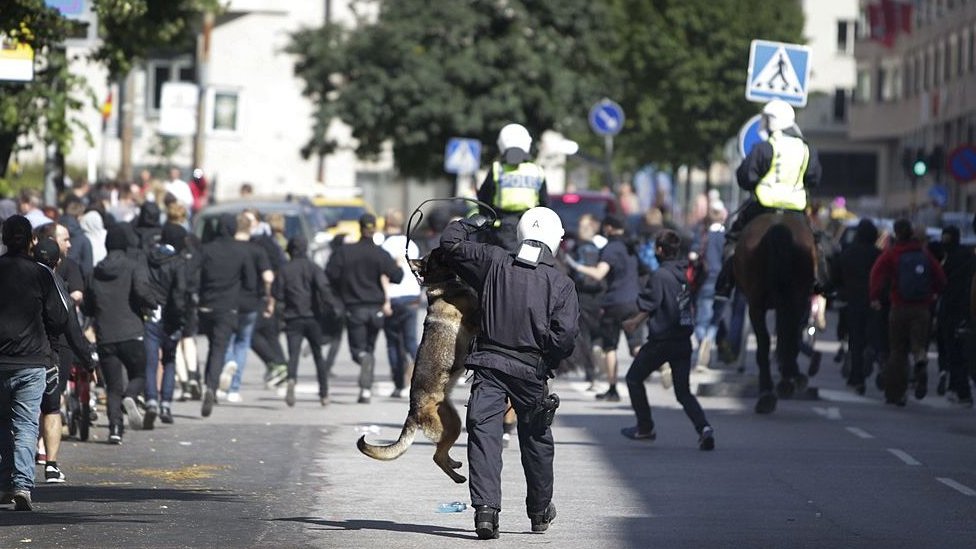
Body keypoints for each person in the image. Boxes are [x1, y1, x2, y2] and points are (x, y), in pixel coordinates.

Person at [439, 207, 577, 539]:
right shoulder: (561, 283)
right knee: (536, 438)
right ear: (553, 240)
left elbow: (450, 242)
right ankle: (539, 511)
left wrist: (475, 220)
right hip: (531, 370)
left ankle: (485, 512)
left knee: (484, 434)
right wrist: (548, 360)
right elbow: (566, 336)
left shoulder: (494, 261)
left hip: (488, 364)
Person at [715, 99, 824, 299]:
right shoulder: (806, 149)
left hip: (763, 207)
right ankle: (820, 281)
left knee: (733, 237)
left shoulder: (764, 148)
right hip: (795, 209)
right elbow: (814, 178)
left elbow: (746, 177)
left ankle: (725, 282)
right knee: (817, 242)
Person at [619, 230, 715, 450]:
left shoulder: (660, 275)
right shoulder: (683, 273)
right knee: (683, 392)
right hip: (683, 341)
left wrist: (634, 322)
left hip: (662, 341)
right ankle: (704, 428)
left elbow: (650, 304)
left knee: (634, 378)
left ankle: (645, 427)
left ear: (660, 250)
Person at [0, 216, 71, 510]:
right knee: (27, 424)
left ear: (4, 238)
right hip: (31, 360)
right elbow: (58, 317)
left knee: (2, 423)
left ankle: (4, 483)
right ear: (31, 241)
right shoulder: (41, 274)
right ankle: (22, 485)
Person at [31, 238, 95, 483]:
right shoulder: (57, 285)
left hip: (11, 355)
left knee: (16, 414)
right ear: (57, 261)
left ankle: (15, 470)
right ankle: (51, 465)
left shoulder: (11, 275)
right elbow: (72, 328)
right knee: (51, 409)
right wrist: (88, 362)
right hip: (46, 356)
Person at [85, 224, 156, 443]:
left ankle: (115, 429)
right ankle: (131, 397)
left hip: (106, 334)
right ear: (125, 245)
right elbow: (142, 291)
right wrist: (153, 303)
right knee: (140, 374)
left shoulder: (95, 272)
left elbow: (88, 306)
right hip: (131, 331)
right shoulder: (134, 266)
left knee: (113, 385)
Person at [325, 214, 402, 404]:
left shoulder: (345, 252)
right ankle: (365, 390)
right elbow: (397, 276)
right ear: (375, 229)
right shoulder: (380, 253)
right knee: (369, 347)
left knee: (357, 351)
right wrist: (396, 265)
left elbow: (330, 275)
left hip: (354, 308)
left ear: (359, 228)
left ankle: (364, 373)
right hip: (376, 309)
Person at [869, 219, 946, 406]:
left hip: (899, 307)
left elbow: (876, 273)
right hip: (922, 309)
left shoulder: (892, 253)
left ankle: (896, 393)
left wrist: (875, 297)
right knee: (918, 345)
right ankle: (920, 361)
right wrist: (934, 294)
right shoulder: (923, 253)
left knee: (898, 351)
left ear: (896, 233)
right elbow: (941, 278)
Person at [565, 215, 640, 402]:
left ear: (608, 228)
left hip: (615, 302)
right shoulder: (631, 247)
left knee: (610, 346)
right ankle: (660, 362)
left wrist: (577, 266)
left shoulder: (611, 248)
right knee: (635, 345)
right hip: (635, 301)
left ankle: (612, 388)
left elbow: (599, 273)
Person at [198, 213, 254, 417]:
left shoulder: (206, 249)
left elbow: (196, 274)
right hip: (228, 307)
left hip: (206, 306)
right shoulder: (241, 252)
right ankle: (211, 386)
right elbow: (250, 281)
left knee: (212, 346)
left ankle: (207, 385)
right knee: (219, 349)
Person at [275, 236, 337, 406]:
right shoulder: (313, 268)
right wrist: (331, 307)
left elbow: (278, 295)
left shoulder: (284, 269)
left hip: (292, 317)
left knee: (293, 355)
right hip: (313, 317)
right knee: (318, 355)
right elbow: (324, 288)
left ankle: (291, 380)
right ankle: (324, 393)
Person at [220, 211, 273, 403]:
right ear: (250, 227)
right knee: (243, 343)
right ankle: (234, 388)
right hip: (251, 302)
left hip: (229, 301)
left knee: (226, 341)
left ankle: (228, 363)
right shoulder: (257, 250)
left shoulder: (227, 249)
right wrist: (268, 297)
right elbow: (268, 277)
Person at [476, 123, 548, 251]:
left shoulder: (497, 169)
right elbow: (545, 204)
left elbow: (483, 200)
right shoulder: (537, 171)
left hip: (501, 229)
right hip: (529, 228)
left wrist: (486, 222)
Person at [143, 224, 188, 427]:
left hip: (151, 313)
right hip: (171, 318)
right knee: (169, 359)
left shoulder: (148, 257)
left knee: (151, 361)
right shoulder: (178, 263)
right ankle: (166, 404)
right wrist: (180, 318)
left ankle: (151, 399)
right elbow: (180, 294)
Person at [833, 219, 882, 394]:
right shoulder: (879, 255)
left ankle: (857, 378)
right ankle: (877, 360)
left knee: (855, 340)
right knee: (876, 338)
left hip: (852, 302)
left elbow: (835, 277)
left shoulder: (847, 253)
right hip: (875, 303)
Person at [380, 209, 422, 398]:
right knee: (411, 341)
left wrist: (385, 299)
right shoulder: (411, 244)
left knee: (393, 342)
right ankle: (424, 377)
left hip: (394, 296)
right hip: (412, 296)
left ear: (387, 222)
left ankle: (399, 383)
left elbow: (384, 275)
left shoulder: (385, 245)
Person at [935, 226, 975, 406]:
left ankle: (962, 391)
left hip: (951, 309)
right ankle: (955, 386)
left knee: (953, 351)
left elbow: (939, 281)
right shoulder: (969, 257)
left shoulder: (947, 259)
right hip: (968, 309)